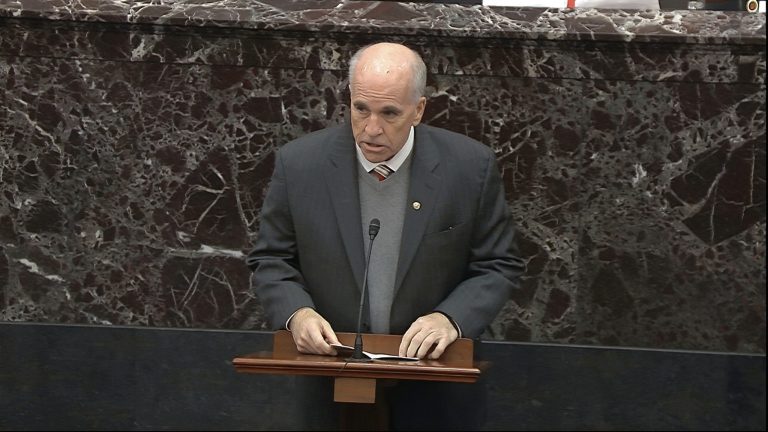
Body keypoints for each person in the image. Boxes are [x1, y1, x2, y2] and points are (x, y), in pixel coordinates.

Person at [246, 42, 524, 428]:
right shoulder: (301, 165)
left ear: (418, 110)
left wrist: (452, 319)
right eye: (361, 109)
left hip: (435, 385)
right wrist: (297, 314)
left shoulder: (468, 168)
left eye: (389, 113)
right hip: (331, 382)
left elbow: (498, 263)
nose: (371, 128)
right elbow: (271, 258)